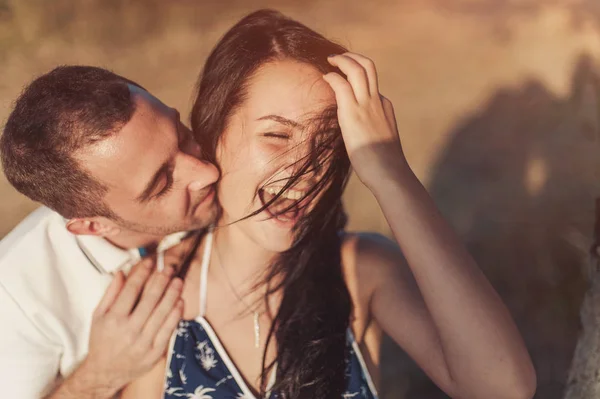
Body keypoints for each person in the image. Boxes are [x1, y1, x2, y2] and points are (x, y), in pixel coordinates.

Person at [123, 9, 537, 399]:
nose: (307, 170)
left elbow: (503, 389)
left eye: (326, 143)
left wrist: (390, 172)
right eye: (277, 136)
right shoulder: (157, 298)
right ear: (214, 132)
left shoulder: (360, 272)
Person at [0, 66, 220, 398]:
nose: (207, 172)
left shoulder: (223, 152)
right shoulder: (14, 297)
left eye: (182, 136)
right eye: (162, 184)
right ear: (92, 226)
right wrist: (100, 375)